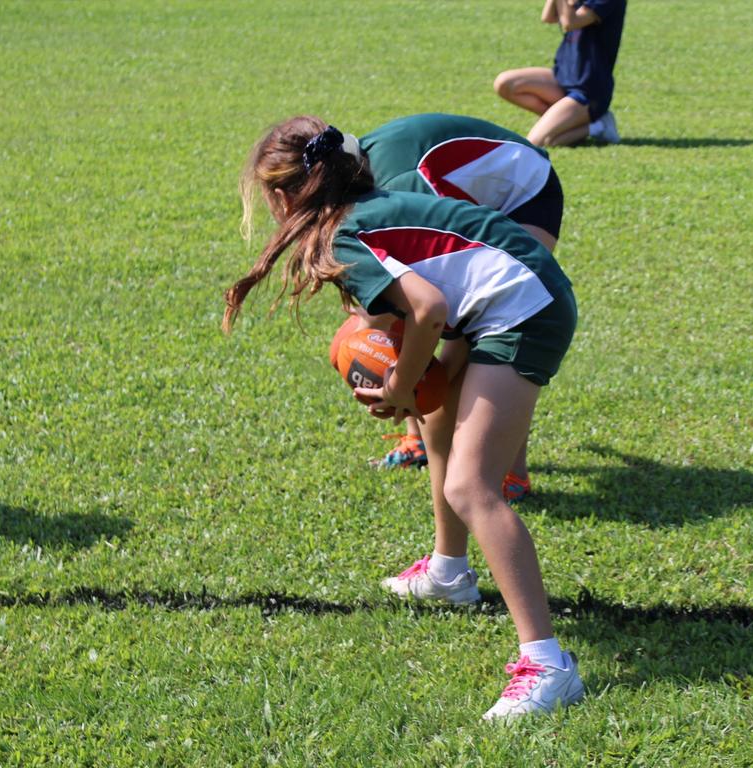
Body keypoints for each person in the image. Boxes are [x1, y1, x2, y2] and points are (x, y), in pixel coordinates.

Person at [224, 117, 583, 720]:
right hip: (515, 293)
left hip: (523, 310)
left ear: (284, 196)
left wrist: (399, 380)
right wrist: (413, 381)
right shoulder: (366, 206)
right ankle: (449, 573)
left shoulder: (343, 235)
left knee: (472, 486)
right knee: (440, 425)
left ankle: (547, 665)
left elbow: (429, 307)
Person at [343, 113, 566, 503]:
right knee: (388, 312)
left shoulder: (402, 191)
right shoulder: (350, 178)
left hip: (526, 194)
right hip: (468, 199)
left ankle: (511, 470)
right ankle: (419, 443)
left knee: (492, 332)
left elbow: (445, 310)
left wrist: (425, 384)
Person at [494, 0, 628, 147]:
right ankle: (565, 123)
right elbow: (548, 17)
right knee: (505, 83)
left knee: (537, 142)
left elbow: (569, 22)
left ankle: (598, 126)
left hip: (588, 90)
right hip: (563, 77)